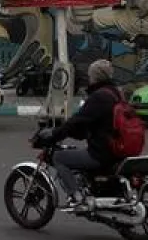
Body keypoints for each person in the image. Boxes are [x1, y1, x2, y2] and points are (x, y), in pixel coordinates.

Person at [32, 59, 123, 212]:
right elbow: (92, 123)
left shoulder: (99, 97)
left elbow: (78, 121)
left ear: (95, 77)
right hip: (117, 148)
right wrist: (77, 132)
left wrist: (55, 133)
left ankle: (77, 197)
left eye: (90, 75)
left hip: (102, 152)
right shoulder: (116, 93)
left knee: (59, 158)